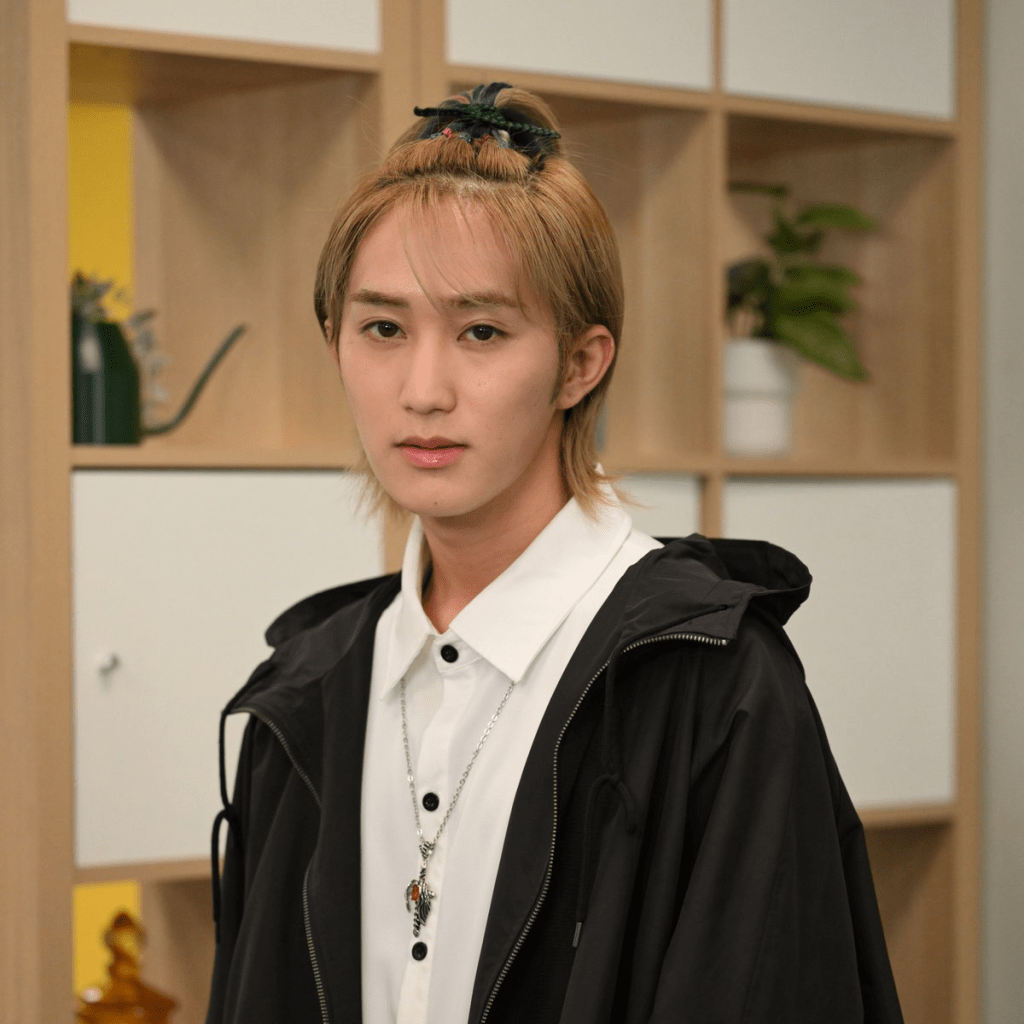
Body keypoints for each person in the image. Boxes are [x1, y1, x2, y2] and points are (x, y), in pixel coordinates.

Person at [206, 83, 903, 1024]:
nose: (422, 389)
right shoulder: (304, 694)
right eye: (382, 328)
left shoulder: (718, 686)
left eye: (482, 331)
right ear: (336, 344)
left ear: (581, 363)